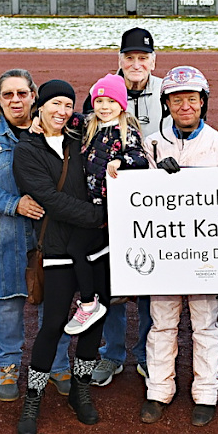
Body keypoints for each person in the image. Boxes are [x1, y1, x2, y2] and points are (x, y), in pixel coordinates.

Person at [0, 69, 73, 403]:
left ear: (33, 96)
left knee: (52, 299)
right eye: (7, 94)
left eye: (22, 94)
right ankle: (8, 366)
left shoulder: (54, 129)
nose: (15, 100)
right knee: (8, 302)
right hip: (3, 233)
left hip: (48, 232)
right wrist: (14, 204)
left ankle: (57, 363)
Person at [140, 66, 218, 427]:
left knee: (205, 326)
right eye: (177, 99)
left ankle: (206, 392)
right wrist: (151, 174)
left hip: (205, 256)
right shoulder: (150, 143)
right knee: (162, 325)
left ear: (203, 103)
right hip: (164, 256)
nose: (185, 106)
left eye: (192, 99)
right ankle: (158, 391)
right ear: (166, 104)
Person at [12, 80, 109, 434]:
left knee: (93, 322)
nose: (61, 111)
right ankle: (33, 398)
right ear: (40, 106)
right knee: (52, 324)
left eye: (68, 104)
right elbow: (49, 198)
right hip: (56, 247)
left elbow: (111, 123)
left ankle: (79, 389)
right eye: (55, 103)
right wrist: (99, 215)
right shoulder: (27, 150)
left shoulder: (80, 139)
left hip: (94, 248)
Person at [88, 27, 162, 387]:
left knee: (148, 280)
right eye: (129, 58)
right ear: (120, 60)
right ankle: (113, 353)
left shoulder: (166, 90)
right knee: (113, 284)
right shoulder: (103, 93)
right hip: (110, 209)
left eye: (143, 58)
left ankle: (147, 354)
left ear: (153, 60)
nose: (136, 64)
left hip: (152, 207)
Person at [63, 74, 149, 336]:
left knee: (78, 248)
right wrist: (36, 121)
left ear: (121, 104)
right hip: (90, 204)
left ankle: (90, 302)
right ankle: (98, 294)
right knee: (83, 250)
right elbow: (64, 117)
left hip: (111, 207)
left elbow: (141, 159)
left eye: (110, 100)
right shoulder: (89, 125)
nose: (104, 106)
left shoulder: (127, 131)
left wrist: (121, 162)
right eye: (99, 100)